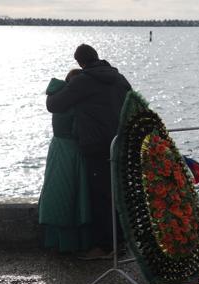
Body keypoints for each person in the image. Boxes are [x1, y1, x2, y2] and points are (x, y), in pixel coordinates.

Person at [47, 44, 132, 259]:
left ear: (79, 62)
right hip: (119, 144)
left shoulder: (84, 80)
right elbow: (132, 104)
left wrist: (53, 88)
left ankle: (105, 247)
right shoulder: (119, 78)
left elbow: (55, 105)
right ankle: (120, 242)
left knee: (100, 197)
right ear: (96, 56)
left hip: (95, 146)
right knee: (116, 195)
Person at [39, 68, 93, 254]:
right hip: (73, 151)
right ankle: (77, 242)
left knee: (58, 192)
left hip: (57, 149)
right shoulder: (74, 105)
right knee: (76, 196)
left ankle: (56, 240)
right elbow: (80, 129)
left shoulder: (57, 100)